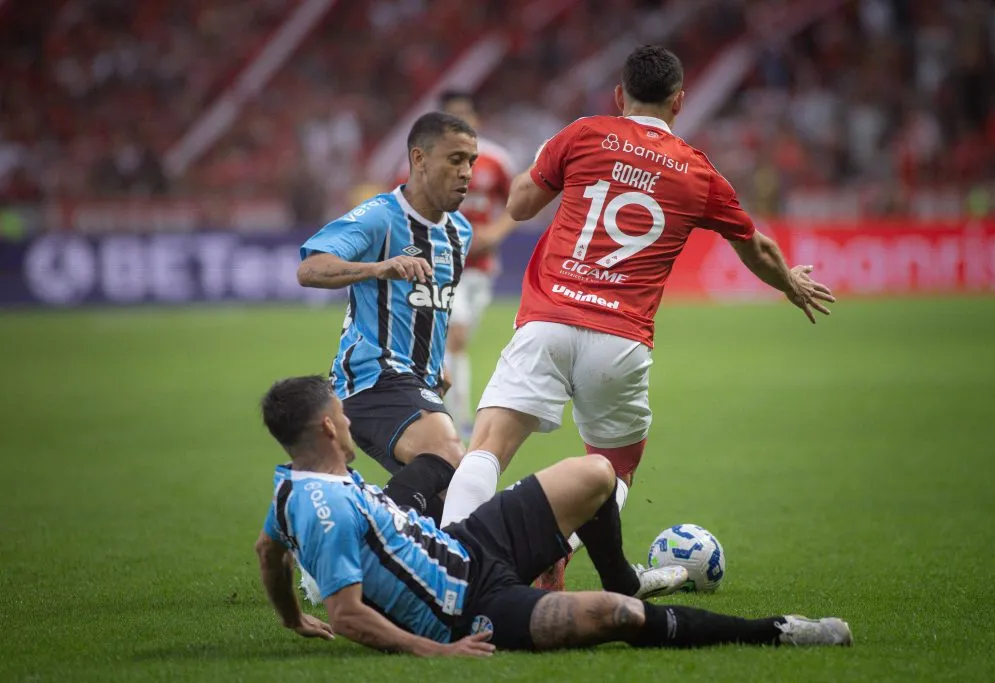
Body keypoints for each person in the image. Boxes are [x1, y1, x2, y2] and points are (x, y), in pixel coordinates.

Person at [438, 45, 838, 588]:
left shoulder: (585, 133)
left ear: (620, 95)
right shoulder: (698, 172)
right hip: (620, 341)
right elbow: (756, 246)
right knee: (613, 469)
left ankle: (444, 570)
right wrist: (790, 283)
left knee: (487, 447)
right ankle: (560, 547)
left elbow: (519, 205)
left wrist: (545, 163)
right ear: (679, 101)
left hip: (549, 320)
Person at [254, 375, 853, 654]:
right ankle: (772, 632)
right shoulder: (322, 504)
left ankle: (611, 567)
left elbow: (267, 553)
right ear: (330, 427)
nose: (353, 421)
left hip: (467, 544)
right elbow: (349, 614)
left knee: (596, 475)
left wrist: (289, 620)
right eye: (345, 413)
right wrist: (436, 652)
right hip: (469, 610)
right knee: (617, 616)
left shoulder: (298, 486)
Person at [296, 112, 477, 523]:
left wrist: (439, 363)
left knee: (458, 506)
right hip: (372, 377)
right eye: (455, 159)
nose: (467, 173)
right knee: (448, 453)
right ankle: (364, 539)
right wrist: (378, 268)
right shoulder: (380, 216)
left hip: (416, 380)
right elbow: (309, 269)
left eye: (472, 161)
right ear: (420, 158)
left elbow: (434, 304)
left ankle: (335, 542)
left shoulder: (460, 232)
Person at [397, 91, 520, 440]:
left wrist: (495, 232)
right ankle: (456, 421)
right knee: (456, 337)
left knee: (453, 342)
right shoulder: (421, 160)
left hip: (480, 267)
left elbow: (519, 202)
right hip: (438, 263)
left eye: (464, 116)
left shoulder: (496, 161)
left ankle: (442, 414)